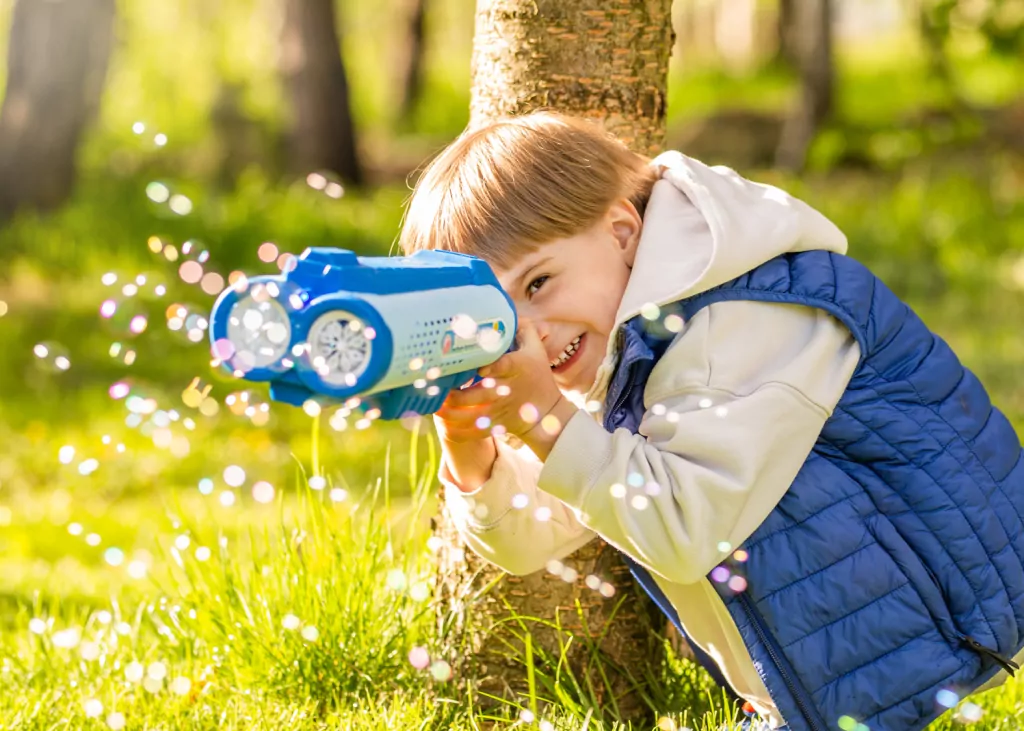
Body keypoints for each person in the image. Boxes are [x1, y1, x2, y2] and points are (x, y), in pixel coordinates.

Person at [397, 111, 1024, 731]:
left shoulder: (744, 315)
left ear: (620, 231)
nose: (529, 334)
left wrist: (545, 418)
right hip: (855, 668)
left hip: (952, 622)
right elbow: (530, 537)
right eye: (498, 318)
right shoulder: (621, 333)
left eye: (538, 283)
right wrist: (467, 438)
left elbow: (683, 529)